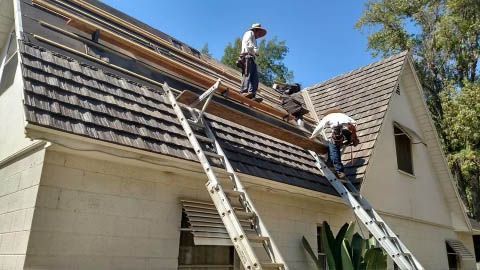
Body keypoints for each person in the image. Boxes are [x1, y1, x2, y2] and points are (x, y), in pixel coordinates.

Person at [310, 108, 359, 179]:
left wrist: (312, 136)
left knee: (334, 149)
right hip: (348, 134)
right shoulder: (343, 115)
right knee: (333, 147)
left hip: (339, 132)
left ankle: (339, 171)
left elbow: (319, 127)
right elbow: (355, 124)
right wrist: (352, 136)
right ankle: (330, 163)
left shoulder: (328, 117)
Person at [239, 23, 267, 99]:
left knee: (255, 78)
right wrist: (255, 50)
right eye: (259, 32)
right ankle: (243, 91)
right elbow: (248, 43)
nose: (259, 35)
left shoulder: (254, 39)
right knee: (247, 74)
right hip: (247, 56)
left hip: (251, 58)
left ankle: (252, 94)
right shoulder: (249, 33)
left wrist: (255, 51)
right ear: (256, 30)